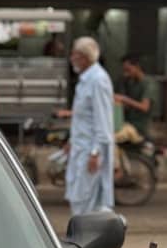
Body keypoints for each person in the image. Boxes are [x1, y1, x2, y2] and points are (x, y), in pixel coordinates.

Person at [58, 36, 115, 216]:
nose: (72, 58)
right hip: (80, 147)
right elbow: (82, 119)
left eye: (74, 54)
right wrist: (71, 141)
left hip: (90, 151)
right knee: (78, 198)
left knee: (87, 202)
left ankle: (85, 241)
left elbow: (102, 120)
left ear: (84, 57)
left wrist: (95, 153)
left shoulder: (98, 80)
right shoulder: (85, 80)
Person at [115, 53, 156, 144]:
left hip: (139, 126)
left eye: (128, 70)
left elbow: (144, 107)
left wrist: (124, 99)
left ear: (137, 67)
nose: (126, 73)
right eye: (124, 70)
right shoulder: (129, 82)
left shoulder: (148, 84)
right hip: (127, 123)